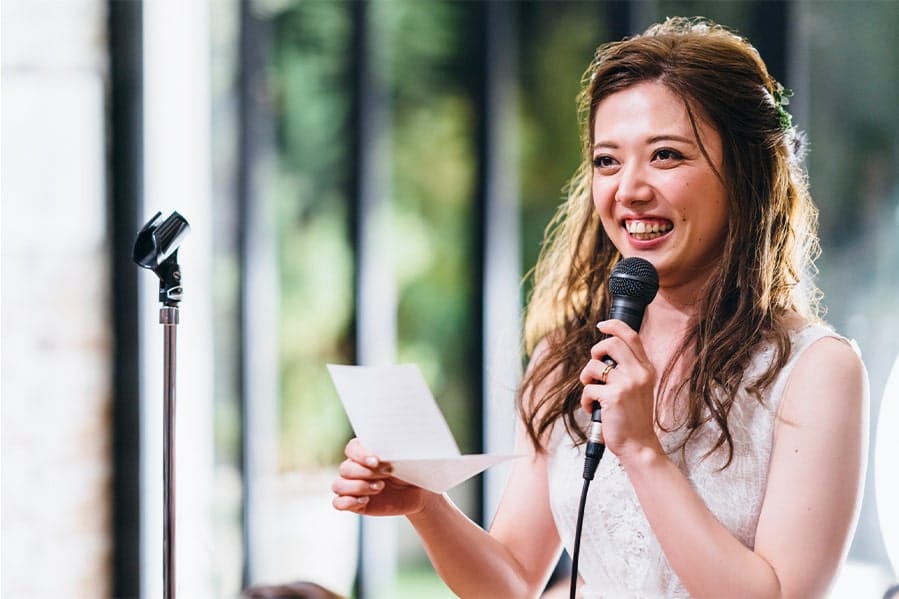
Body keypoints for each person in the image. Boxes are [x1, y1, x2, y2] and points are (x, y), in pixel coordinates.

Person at [331, 16, 867, 598]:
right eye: (608, 161)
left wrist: (642, 450)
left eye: (665, 156)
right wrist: (426, 505)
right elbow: (510, 582)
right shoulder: (568, 357)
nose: (628, 190)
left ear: (745, 173)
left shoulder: (814, 370)